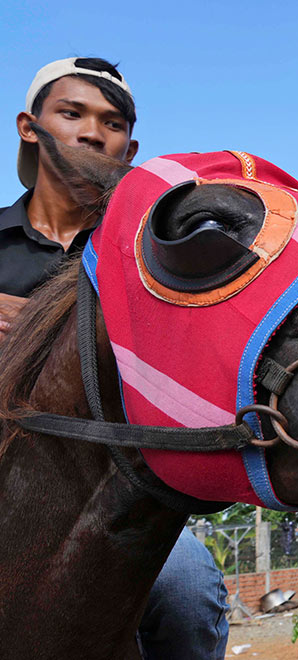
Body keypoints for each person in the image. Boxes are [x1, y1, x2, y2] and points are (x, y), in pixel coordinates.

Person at [5, 57, 229, 659]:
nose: (91, 132)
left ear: (130, 149)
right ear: (30, 125)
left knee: (189, 589)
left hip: (118, 489)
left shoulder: (149, 259)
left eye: (111, 122)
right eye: (71, 113)